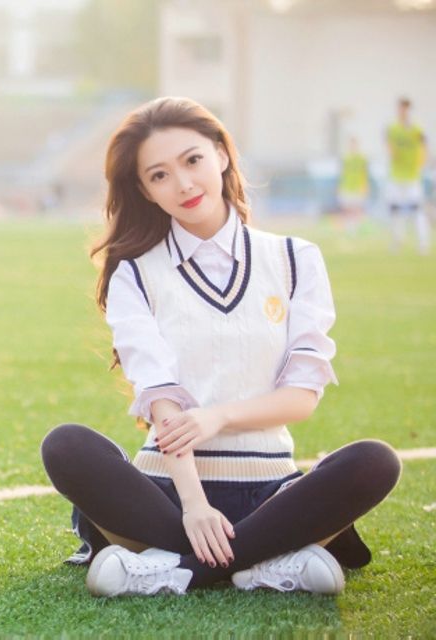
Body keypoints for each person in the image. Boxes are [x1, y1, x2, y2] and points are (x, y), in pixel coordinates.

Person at [40, 97, 402, 598]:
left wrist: (217, 417)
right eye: (160, 175)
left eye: (193, 161)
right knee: (66, 446)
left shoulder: (296, 259)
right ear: (144, 189)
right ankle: (269, 558)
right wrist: (194, 505)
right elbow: (160, 397)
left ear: (221, 155)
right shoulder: (136, 274)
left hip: (269, 491)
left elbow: (302, 397)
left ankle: (172, 570)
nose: (185, 184)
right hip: (168, 495)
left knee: (375, 461)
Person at [385, 97, 429, 254]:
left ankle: (423, 243)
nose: (402, 111)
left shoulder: (416, 129)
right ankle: (397, 242)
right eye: (400, 108)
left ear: (409, 110)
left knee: (417, 209)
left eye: (405, 109)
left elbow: (425, 145)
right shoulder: (393, 128)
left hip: (412, 176)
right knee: (395, 209)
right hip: (396, 176)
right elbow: (389, 146)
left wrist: (422, 161)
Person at [337, 137, 370, 234]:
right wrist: (339, 186)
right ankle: (348, 227)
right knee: (347, 208)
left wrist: (365, 186)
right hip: (347, 186)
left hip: (357, 186)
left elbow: (364, 173)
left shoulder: (362, 158)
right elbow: (342, 173)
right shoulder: (345, 158)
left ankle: (355, 228)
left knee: (357, 208)